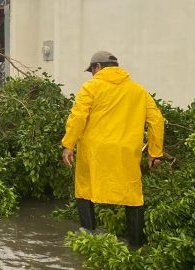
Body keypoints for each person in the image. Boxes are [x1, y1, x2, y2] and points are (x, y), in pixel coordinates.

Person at [61, 51, 165, 248]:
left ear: (97, 67)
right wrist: (155, 152)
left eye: (92, 70)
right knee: (132, 195)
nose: (92, 74)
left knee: (85, 188)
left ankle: (89, 237)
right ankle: (135, 245)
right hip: (127, 152)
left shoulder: (91, 87)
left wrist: (68, 144)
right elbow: (156, 121)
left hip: (94, 151)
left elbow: (78, 117)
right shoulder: (138, 90)